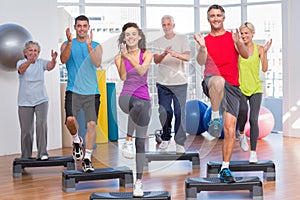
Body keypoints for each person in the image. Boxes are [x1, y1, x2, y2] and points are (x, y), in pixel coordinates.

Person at [194, 4, 249, 183]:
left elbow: (246, 55)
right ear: (208, 19)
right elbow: (201, 61)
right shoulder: (206, 40)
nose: (215, 18)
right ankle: (215, 116)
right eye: (212, 16)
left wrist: (240, 42)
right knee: (218, 80)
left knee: (230, 128)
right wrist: (202, 48)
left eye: (218, 15)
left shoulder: (232, 37)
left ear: (223, 18)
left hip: (232, 86)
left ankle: (225, 168)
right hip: (211, 82)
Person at [60, 15, 103, 172]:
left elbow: (97, 63)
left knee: (91, 124)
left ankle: (87, 159)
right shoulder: (66, 44)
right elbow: (63, 59)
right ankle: (76, 140)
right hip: (73, 90)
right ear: (75, 27)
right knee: (70, 120)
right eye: (79, 26)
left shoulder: (96, 45)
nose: (82, 28)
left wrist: (90, 47)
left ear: (88, 27)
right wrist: (70, 43)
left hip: (92, 92)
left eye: (85, 26)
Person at [114, 22, 152, 197]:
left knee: (141, 143)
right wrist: (123, 57)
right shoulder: (118, 57)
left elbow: (142, 70)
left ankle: (138, 183)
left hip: (144, 100)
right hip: (126, 98)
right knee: (136, 104)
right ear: (124, 38)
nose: (130, 37)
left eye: (133, 34)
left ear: (139, 37)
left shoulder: (147, 54)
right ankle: (127, 139)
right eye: (127, 35)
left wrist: (129, 57)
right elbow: (123, 76)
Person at [153, 15, 190, 153]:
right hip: (163, 83)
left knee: (180, 112)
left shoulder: (182, 39)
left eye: (169, 24)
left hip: (180, 82)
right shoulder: (157, 41)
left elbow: (187, 57)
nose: (166, 27)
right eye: (164, 25)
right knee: (164, 111)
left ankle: (180, 142)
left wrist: (175, 54)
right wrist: (163, 54)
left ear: (173, 25)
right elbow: (156, 60)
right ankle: (166, 137)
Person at [237, 22, 272, 163]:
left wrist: (264, 53)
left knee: (253, 119)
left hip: (256, 88)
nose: (244, 36)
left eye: (247, 33)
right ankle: (240, 133)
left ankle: (253, 152)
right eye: (242, 33)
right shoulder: (238, 48)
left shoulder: (259, 49)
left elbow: (264, 69)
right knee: (243, 110)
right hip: (240, 86)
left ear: (252, 34)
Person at [17, 41, 57, 160]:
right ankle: (26, 156)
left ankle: (42, 153)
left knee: (41, 125)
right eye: (30, 50)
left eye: (35, 51)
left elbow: (49, 66)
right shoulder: (21, 62)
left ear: (38, 53)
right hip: (25, 102)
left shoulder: (41, 63)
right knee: (26, 131)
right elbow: (21, 70)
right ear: (25, 52)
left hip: (41, 100)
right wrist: (30, 61)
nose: (33, 53)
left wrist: (54, 60)